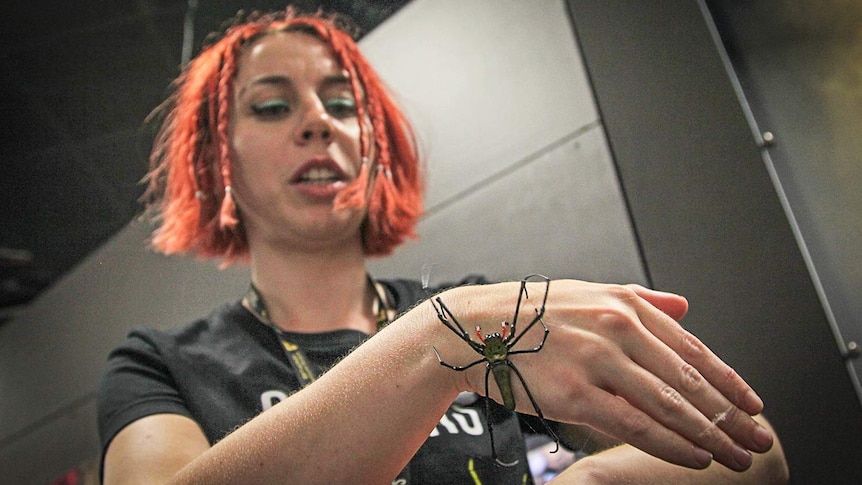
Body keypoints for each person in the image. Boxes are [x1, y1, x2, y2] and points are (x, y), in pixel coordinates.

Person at [97, 7, 789, 484]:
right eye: (273, 105)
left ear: (374, 150)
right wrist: (439, 345)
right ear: (221, 161)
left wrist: (598, 473)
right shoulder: (160, 364)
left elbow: (754, 450)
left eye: (343, 104)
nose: (318, 123)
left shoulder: (486, 315)